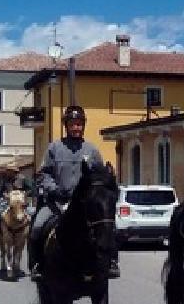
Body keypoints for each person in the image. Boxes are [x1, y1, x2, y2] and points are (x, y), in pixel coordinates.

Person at [28, 105, 120, 280]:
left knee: (108, 227)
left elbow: (98, 177)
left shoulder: (92, 150)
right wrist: (53, 190)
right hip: (57, 202)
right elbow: (43, 174)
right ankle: (37, 265)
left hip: (84, 205)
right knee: (37, 227)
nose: (76, 128)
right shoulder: (54, 148)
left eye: (79, 124)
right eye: (73, 124)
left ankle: (112, 262)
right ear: (66, 126)